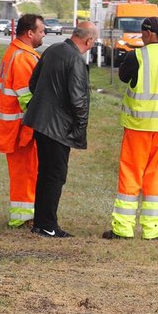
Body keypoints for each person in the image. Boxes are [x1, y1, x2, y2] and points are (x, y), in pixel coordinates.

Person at [103, 17, 158, 240]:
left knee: (131, 174)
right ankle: (153, 229)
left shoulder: (137, 56)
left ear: (149, 34)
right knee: (157, 177)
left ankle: (123, 228)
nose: (140, 37)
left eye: (142, 33)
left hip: (139, 126)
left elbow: (124, 77)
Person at [23, 21, 96, 238]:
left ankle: (41, 222)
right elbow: (79, 101)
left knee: (45, 173)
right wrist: (79, 129)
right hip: (58, 128)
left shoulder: (52, 49)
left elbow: (33, 83)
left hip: (40, 122)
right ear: (89, 40)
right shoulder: (76, 59)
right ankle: (48, 225)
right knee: (55, 175)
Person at [0, 14, 45, 228]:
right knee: (26, 172)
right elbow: (27, 96)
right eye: (41, 31)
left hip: (15, 124)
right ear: (30, 33)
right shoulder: (23, 57)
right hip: (21, 126)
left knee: (23, 171)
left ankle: (23, 214)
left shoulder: (16, 52)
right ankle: (24, 217)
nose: (44, 34)